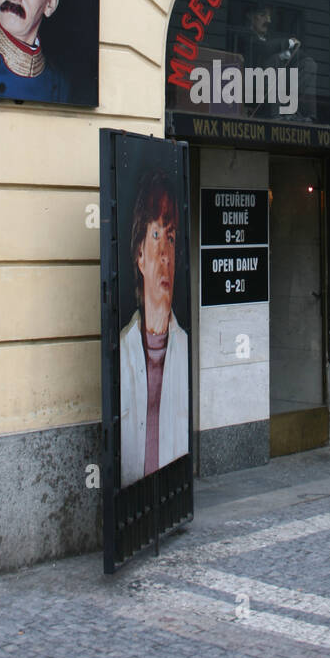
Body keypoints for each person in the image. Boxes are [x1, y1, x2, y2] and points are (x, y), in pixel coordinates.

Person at [120, 169, 189, 487]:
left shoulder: (185, 347)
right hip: (134, 491)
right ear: (139, 254)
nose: (163, 255)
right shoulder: (122, 349)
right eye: (156, 235)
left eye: (171, 238)